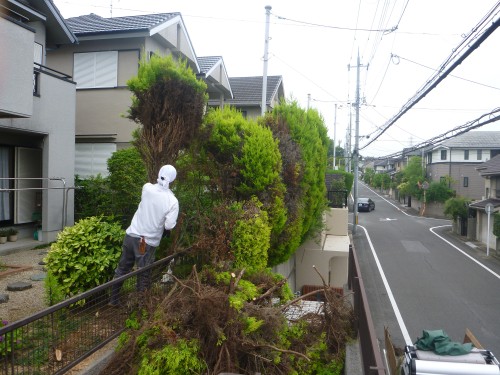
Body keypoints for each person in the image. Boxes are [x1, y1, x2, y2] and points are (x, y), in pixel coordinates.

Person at [109, 164, 179, 306]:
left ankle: (113, 300)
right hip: (146, 243)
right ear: (173, 180)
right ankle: (141, 307)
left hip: (130, 236)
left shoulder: (147, 188)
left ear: (159, 173)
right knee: (143, 274)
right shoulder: (172, 201)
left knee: (122, 269)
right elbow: (169, 226)